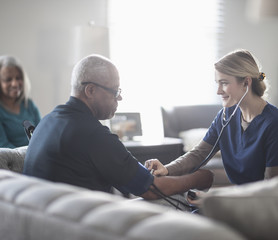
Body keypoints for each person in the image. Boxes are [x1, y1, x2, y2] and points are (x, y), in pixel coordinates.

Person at [23, 54, 213, 201]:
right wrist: (199, 178)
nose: (119, 98)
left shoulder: (47, 121)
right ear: (90, 90)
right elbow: (151, 189)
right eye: (115, 91)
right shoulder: (93, 134)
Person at [145, 49, 278, 203]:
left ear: (246, 83)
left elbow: (270, 190)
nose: (219, 91)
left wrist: (215, 199)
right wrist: (167, 169)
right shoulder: (226, 116)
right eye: (217, 84)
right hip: (250, 202)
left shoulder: (276, 125)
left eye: (224, 83)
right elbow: (198, 154)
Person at [0, 55, 41, 149]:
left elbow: (42, 137)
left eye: (18, 78)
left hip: (33, 158)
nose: (15, 84)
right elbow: (2, 149)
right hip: (3, 162)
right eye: (8, 79)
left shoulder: (28, 104)